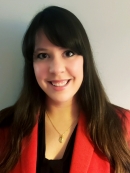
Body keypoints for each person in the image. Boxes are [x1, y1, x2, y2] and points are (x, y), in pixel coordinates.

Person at [0, 5, 130, 173]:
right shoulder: (5, 128)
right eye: (43, 56)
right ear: (31, 64)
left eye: (68, 53)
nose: (56, 69)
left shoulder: (123, 126)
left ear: (85, 60)